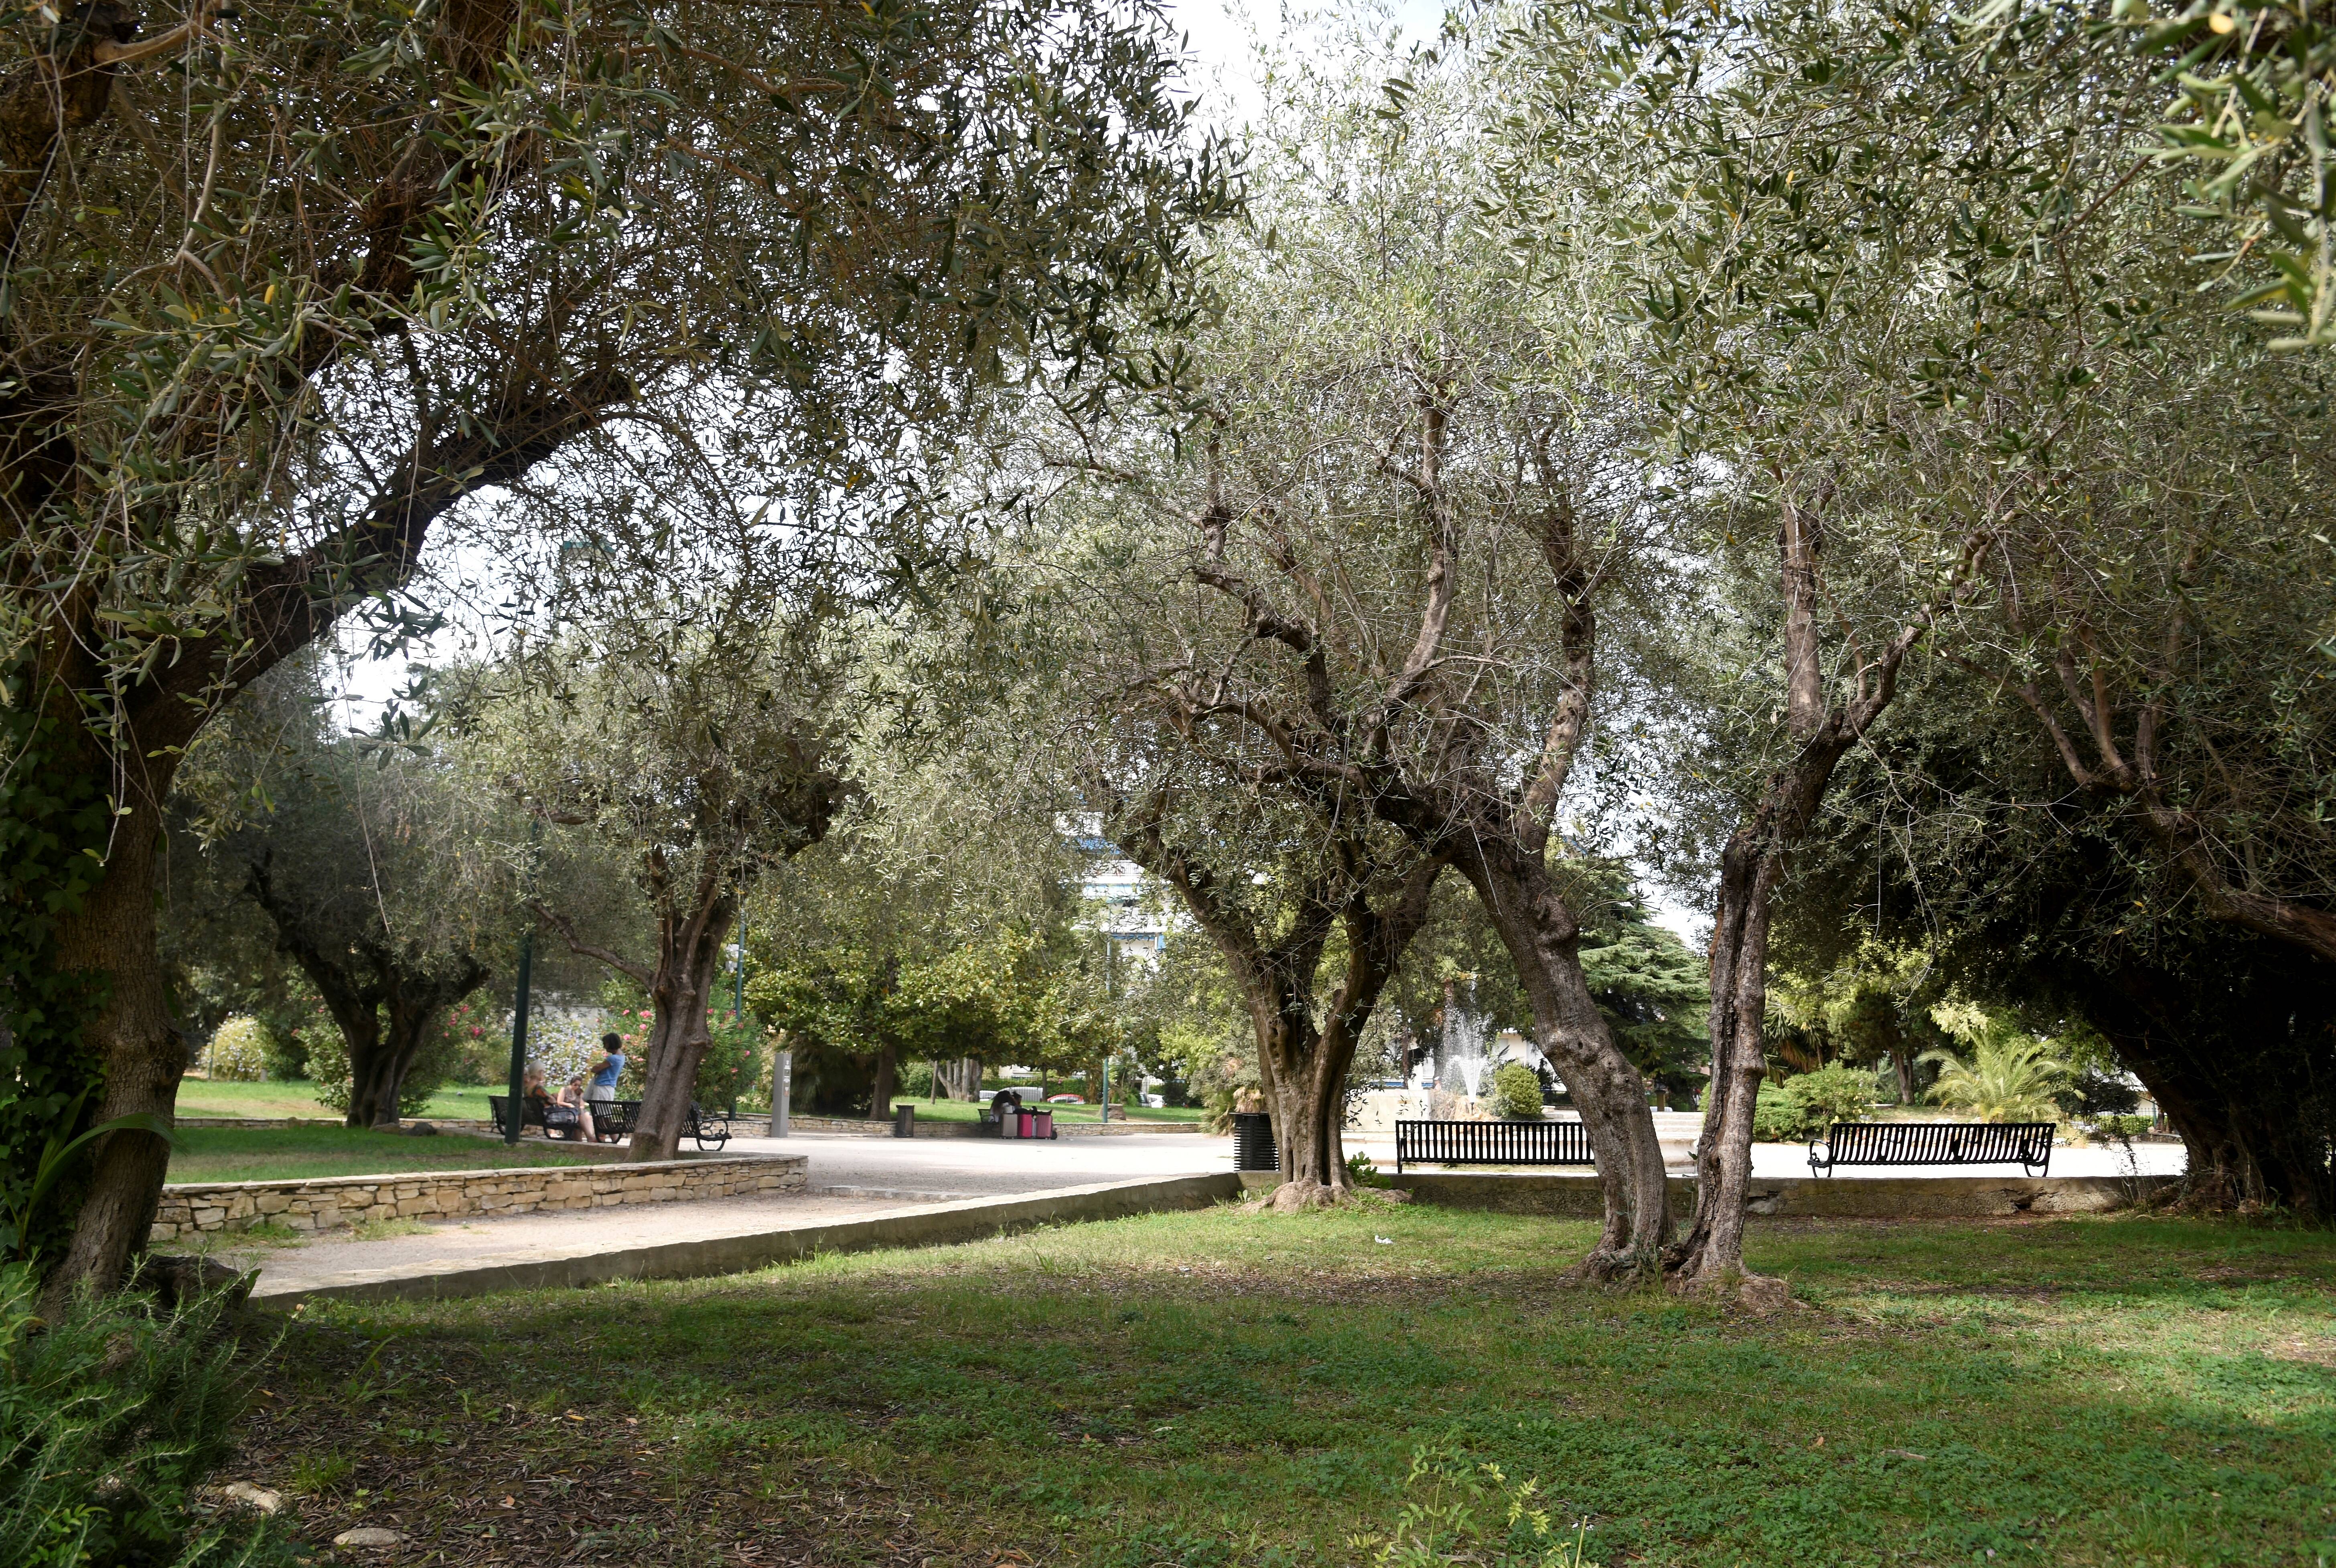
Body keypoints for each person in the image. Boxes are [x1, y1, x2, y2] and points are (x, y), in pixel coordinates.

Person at [588, 1034, 626, 1142]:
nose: (605, 1046)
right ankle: (613, 1138)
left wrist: (597, 1067)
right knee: (605, 1115)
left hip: (603, 1088)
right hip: (609, 1088)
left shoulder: (613, 1059)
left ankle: (601, 1138)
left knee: (600, 1115)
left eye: (606, 1044)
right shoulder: (622, 1057)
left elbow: (595, 1069)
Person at [556, 1075, 598, 1143]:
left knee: (589, 1115)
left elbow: (582, 1105)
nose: (577, 1087)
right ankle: (590, 1137)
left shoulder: (580, 1092)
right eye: (575, 1085)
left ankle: (590, 1135)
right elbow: (559, 1102)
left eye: (579, 1085)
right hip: (567, 1110)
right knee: (580, 1113)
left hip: (578, 1110)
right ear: (571, 1083)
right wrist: (569, 1105)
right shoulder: (565, 1090)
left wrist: (580, 1108)